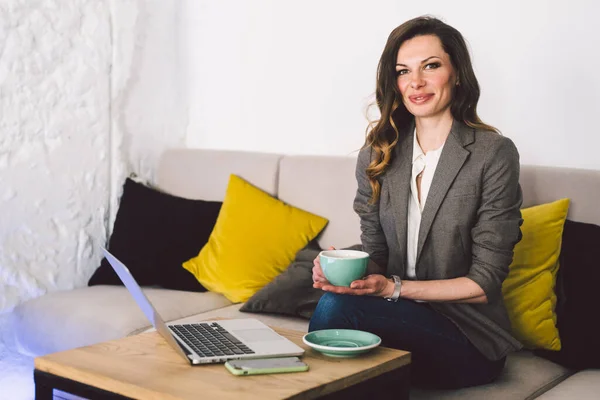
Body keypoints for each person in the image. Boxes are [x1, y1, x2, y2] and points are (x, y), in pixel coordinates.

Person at [310, 16, 524, 389]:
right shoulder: (378, 154)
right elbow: (376, 254)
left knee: (337, 313)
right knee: (340, 313)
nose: (416, 83)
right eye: (403, 71)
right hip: (395, 319)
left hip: (466, 335)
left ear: (456, 73)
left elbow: (484, 282)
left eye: (431, 66)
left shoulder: (493, 153)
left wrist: (392, 289)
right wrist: (342, 271)